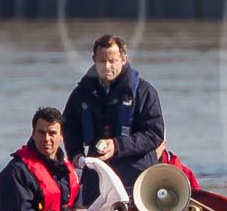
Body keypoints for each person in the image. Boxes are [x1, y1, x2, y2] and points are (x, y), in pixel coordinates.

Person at [62, 34, 165, 195]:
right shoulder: (82, 92)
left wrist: (117, 145)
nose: (107, 66)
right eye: (102, 61)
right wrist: (75, 153)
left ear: (124, 60)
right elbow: (69, 126)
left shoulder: (144, 92)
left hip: (136, 176)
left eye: (112, 61)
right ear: (94, 59)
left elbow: (154, 134)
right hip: (96, 175)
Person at [0, 107, 80, 211]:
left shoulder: (69, 171)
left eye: (52, 133)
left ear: (61, 136)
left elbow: (78, 206)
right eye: (41, 133)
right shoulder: (16, 172)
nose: (46, 138)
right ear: (33, 134)